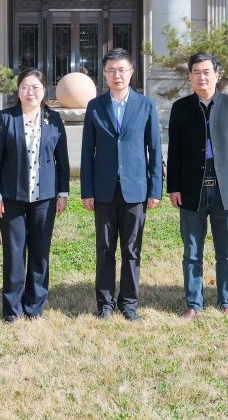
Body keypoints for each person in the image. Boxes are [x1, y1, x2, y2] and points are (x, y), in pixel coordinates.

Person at [166, 52, 228, 319]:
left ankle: (226, 303)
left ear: (217, 75)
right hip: (192, 190)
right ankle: (194, 304)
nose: (201, 77)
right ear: (190, 76)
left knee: (226, 252)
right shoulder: (181, 108)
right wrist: (173, 187)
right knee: (192, 252)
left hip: (226, 191)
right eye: (196, 72)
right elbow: (175, 151)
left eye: (207, 72)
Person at [80, 48, 163, 321]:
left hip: (135, 189)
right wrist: (87, 190)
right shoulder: (95, 106)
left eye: (122, 70)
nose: (117, 75)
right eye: (111, 70)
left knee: (131, 249)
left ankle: (128, 303)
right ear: (104, 74)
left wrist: (155, 189)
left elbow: (154, 150)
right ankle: (104, 303)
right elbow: (87, 152)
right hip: (104, 189)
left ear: (131, 73)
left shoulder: (145, 105)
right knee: (104, 248)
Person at [0, 68, 70, 323]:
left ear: (44, 91)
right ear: (18, 91)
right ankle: (12, 310)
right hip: (12, 198)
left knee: (39, 252)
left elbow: (62, 160)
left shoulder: (54, 119)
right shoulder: (6, 118)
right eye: (24, 87)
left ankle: (34, 307)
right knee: (14, 254)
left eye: (35, 87)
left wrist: (62, 193)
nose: (30, 92)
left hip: (45, 198)